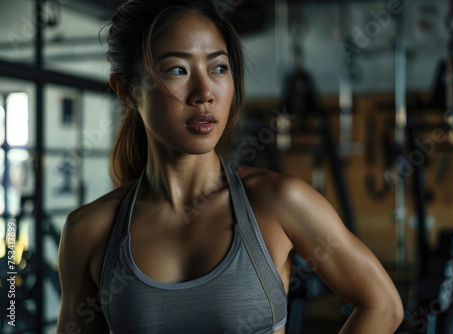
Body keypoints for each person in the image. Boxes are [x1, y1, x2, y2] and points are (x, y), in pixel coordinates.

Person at [57, 0, 403, 333]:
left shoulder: (280, 201)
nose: (204, 92)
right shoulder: (89, 231)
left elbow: (382, 305)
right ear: (127, 92)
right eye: (177, 69)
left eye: (219, 68)